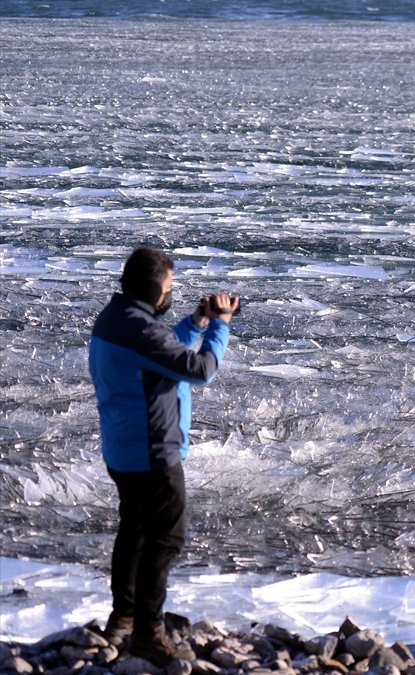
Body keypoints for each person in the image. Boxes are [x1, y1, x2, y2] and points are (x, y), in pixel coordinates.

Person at [88, 247, 240, 665]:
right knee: (165, 538)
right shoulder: (138, 330)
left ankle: (124, 616)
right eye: (169, 286)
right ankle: (148, 633)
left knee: (135, 530)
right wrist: (220, 326)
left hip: (123, 448)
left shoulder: (117, 318)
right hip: (152, 453)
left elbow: (162, 352)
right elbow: (200, 369)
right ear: (155, 287)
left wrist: (196, 323)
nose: (170, 293)